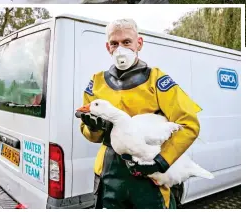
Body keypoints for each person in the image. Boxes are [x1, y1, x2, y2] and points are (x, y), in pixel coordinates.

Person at [78, 18, 201, 209]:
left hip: (150, 174)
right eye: (114, 43)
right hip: (109, 171)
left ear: (139, 43)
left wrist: (161, 162)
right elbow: (88, 133)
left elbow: (189, 124)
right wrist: (94, 128)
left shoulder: (156, 79)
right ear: (107, 47)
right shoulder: (97, 82)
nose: (120, 49)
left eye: (126, 42)